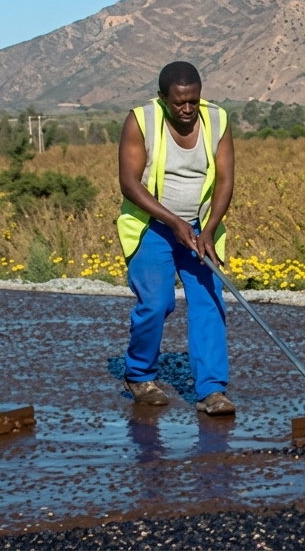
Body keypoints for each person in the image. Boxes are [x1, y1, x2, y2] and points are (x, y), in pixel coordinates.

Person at [116, 61, 237, 414]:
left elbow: (226, 180)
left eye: (193, 101)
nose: (187, 109)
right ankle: (139, 376)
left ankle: (212, 391)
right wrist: (173, 221)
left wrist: (209, 229)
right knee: (157, 303)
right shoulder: (141, 120)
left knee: (208, 301)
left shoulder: (217, 119)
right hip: (151, 226)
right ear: (162, 97)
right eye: (179, 102)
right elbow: (129, 183)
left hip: (200, 226)